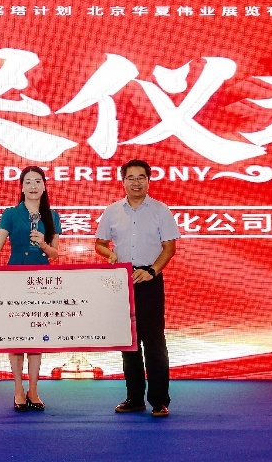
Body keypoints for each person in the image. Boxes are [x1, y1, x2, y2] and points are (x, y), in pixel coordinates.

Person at [0, 166, 61, 412]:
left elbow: (55, 255)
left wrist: (43, 244)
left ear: (44, 186)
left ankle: (33, 390)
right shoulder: (11, 214)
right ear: (22, 187)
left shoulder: (53, 215)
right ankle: (18, 389)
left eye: (38, 181)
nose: (33, 186)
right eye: (28, 182)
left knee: (37, 336)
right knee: (15, 336)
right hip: (14, 279)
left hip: (42, 282)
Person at [94, 159, 179, 417]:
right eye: (131, 178)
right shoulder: (112, 211)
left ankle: (159, 400)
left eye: (141, 177)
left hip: (150, 279)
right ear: (123, 181)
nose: (136, 182)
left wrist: (152, 271)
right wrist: (109, 254)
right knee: (128, 343)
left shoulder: (160, 210)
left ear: (148, 180)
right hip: (122, 281)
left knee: (154, 343)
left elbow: (169, 248)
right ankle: (134, 398)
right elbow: (99, 243)